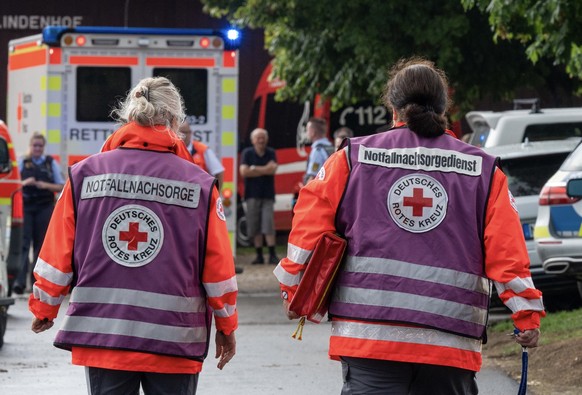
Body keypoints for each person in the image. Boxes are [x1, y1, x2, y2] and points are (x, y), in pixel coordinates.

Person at [274, 57, 545, 395]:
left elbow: (309, 226)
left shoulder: (352, 157)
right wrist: (526, 314)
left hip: (369, 335)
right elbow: (507, 250)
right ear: (445, 108)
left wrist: (294, 289)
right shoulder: (484, 172)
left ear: (393, 109)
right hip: (449, 340)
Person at [28, 76, 238, 395]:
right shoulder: (201, 185)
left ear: (129, 117)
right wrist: (226, 324)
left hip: (103, 334)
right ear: (174, 121)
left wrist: (45, 306)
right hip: (174, 340)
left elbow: (57, 252)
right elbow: (217, 267)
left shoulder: (84, 176)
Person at [13, 132, 65, 295]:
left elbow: (61, 186)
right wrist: (24, 183)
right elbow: (13, 184)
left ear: (43, 147)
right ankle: (19, 283)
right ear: (30, 146)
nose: (37, 148)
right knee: (23, 244)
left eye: (40, 146)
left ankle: (36, 282)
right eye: (34, 145)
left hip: (44, 207)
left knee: (40, 246)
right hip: (26, 207)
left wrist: (44, 185)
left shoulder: (51, 164)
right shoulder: (22, 162)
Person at [239, 128, 279, 264]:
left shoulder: (271, 152)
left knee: (268, 225)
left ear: (266, 139)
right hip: (251, 195)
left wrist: (254, 169)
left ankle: (272, 254)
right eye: (258, 138)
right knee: (254, 226)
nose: (261, 140)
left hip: (268, 195)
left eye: (263, 137)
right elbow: (243, 172)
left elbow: (273, 169)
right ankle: (259, 256)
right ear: (252, 140)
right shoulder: (247, 153)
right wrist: (265, 170)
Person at [178, 121, 225, 191]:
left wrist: (216, 194)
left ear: (190, 133)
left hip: (200, 194)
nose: (182, 136)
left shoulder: (202, 149)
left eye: (185, 132)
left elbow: (219, 171)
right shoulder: (171, 150)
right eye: (180, 133)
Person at [303, 117, 333, 184]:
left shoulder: (317, 151)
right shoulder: (331, 147)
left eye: (307, 130)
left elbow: (313, 177)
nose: (306, 132)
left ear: (313, 132)